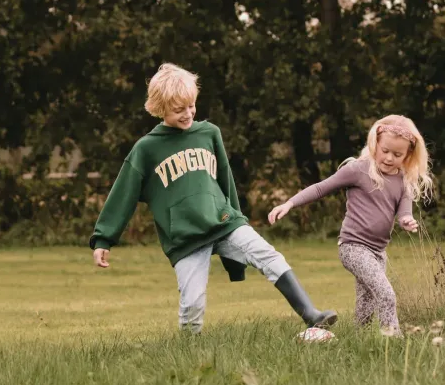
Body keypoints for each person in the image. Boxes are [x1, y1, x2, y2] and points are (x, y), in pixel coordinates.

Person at [90, 63, 337, 333]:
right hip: (185, 238)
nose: (188, 114)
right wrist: (104, 238)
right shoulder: (146, 149)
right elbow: (122, 194)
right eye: (178, 109)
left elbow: (225, 179)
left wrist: (238, 216)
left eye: (191, 106)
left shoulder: (209, 133)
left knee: (270, 256)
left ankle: (311, 314)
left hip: (224, 222)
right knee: (192, 305)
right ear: (160, 108)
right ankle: (190, 350)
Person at [268, 115, 433, 336]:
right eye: (385, 151)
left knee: (366, 306)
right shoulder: (358, 169)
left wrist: (406, 221)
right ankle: (394, 341)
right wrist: (289, 203)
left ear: (408, 155)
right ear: (375, 144)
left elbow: (404, 212)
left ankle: (360, 341)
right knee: (385, 294)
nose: (389, 158)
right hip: (353, 247)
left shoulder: (403, 181)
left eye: (397, 154)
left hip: (378, 252)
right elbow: (320, 188)